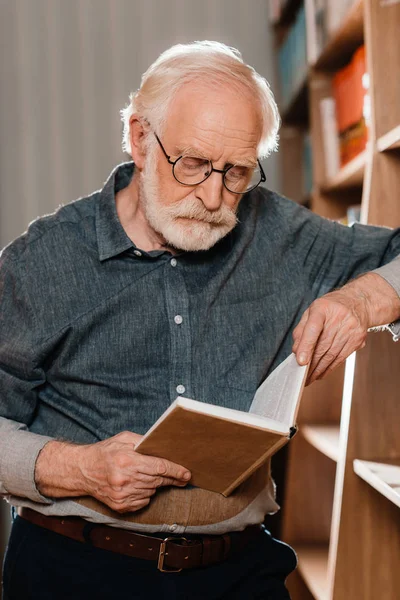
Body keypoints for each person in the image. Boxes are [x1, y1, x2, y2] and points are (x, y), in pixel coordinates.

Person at [1, 41, 399, 600]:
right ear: (140, 138)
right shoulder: (42, 260)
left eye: (236, 171)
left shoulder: (277, 232)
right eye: (191, 164)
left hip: (241, 571)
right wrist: (78, 467)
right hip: (74, 570)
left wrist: (364, 300)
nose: (213, 196)